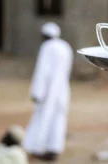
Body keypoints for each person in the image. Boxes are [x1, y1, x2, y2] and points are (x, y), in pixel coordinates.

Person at [23, 22, 73, 161]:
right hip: (62, 89)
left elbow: (42, 72)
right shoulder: (65, 46)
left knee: (42, 118)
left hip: (48, 90)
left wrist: (37, 93)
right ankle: (54, 149)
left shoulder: (47, 47)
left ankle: (36, 148)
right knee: (58, 119)